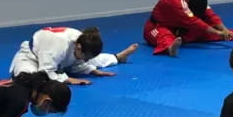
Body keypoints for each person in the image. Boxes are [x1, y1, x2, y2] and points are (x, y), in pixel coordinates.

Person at [144, 0, 233, 56]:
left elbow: (210, 15)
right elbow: (195, 22)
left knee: (204, 33)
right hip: (156, 27)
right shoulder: (176, 2)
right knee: (164, 35)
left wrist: (224, 29)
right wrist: (218, 33)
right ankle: (170, 48)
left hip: (181, 30)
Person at [9, 26, 138, 85]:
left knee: (92, 61)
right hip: (32, 57)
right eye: (85, 56)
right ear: (79, 47)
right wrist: (68, 79)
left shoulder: (82, 40)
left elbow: (79, 61)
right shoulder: (56, 45)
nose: (85, 60)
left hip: (60, 59)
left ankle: (118, 57)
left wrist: (92, 71)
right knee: (28, 78)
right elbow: (46, 70)